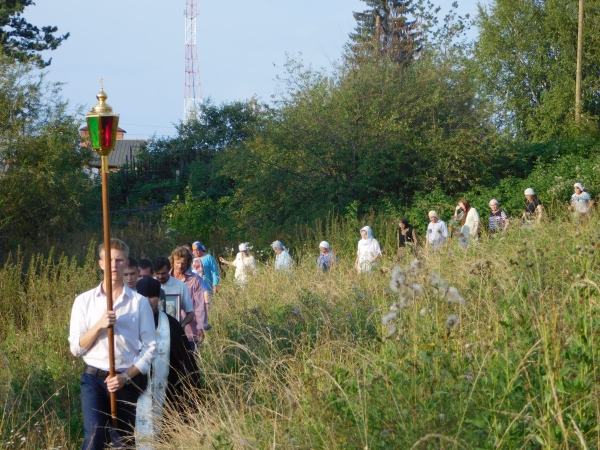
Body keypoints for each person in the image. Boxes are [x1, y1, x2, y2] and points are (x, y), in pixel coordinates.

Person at [68, 239, 157, 450]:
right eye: (109, 260)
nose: (114, 265)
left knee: (123, 442)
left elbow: (151, 347)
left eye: (119, 260)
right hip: (94, 379)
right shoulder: (84, 301)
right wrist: (99, 325)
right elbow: (76, 347)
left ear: (126, 264)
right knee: (94, 438)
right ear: (101, 264)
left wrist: (125, 377)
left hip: (124, 380)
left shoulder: (139, 303)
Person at [135, 277, 201, 450]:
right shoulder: (128, 323)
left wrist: (191, 392)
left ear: (159, 297)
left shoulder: (171, 325)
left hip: (166, 393)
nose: (148, 301)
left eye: (152, 296)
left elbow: (185, 362)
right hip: (134, 391)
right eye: (144, 296)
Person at [169, 247, 210, 348]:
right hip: (168, 329)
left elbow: (200, 305)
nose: (180, 266)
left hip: (190, 330)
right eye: (177, 262)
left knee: (191, 358)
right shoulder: (165, 278)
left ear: (188, 263)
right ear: (172, 261)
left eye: (183, 263)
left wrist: (200, 326)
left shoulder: (194, 280)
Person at [152, 256, 195, 332]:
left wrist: (182, 325)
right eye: (157, 274)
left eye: (163, 273)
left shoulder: (180, 286)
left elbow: (190, 312)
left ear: (169, 270)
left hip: (174, 331)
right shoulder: (150, 285)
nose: (160, 276)